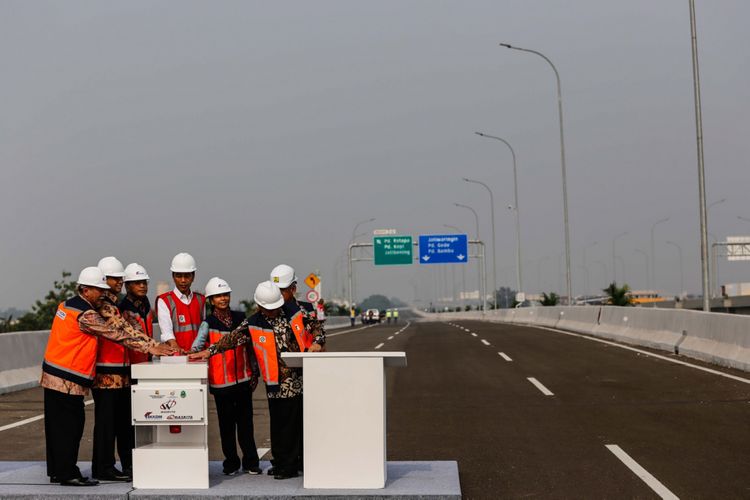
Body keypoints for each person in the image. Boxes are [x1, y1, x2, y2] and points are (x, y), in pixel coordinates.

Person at [41, 267, 174, 487]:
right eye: (98, 290)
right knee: (70, 426)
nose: (102, 294)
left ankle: (58, 471)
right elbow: (117, 333)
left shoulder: (66, 305)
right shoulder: (87, 314)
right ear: (85, 289)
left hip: (54, 372)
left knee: (56, 427)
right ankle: (68, 473)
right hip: (67, 377)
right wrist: (152, 347)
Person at [190, 281, 312, 480]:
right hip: (273, 381)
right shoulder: (253, 321)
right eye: (267, 309)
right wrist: (209, 351)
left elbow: (315, 327)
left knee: (291, 424)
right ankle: (281, 462)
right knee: (278, 425)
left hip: (294, 379)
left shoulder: (293, 314)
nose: (272, 312)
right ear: (260, 306)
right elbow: (232, 338)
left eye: (274, 308)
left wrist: (317, 343)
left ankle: (290, 466)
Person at [190, 277, 261, 476]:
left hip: (244, 380)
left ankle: (251, 462)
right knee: (227, 427)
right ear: (211, 300)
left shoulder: (241, 318)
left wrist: (254, 372)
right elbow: (197, 346)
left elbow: (251, 347)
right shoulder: (208, 323)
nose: (223, 299)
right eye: (218, 296)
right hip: (221, 383)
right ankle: (231, 462)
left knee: (246, 425)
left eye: (225, 295)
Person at [90, 257, 137, 482]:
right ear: (103, 280)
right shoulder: (103, 306)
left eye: (120, 279)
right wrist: (157, 347)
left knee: (120, 423)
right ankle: (104, 467)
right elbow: (126, 333)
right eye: (114, 279)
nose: (119, 282)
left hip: (120, 373)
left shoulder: (114, 304)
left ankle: (113, 465)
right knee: (106, 425)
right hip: (106, 374)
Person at [156, 252, 206, 353]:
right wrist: (175, 347)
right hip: (175, 357)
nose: (183, 280)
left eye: (187, 276)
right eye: (179, 276)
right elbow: (166, 331)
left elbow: (204, 330)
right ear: (173, 276)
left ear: (193, 276)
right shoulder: (164, 300)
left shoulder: (201, 299)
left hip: (198, 356)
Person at [269, 264, 326, 353]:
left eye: (281, 290)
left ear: (293, 289)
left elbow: (318, 330)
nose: (277, 294)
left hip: (302, 364)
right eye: (274, 290)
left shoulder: (306, 309)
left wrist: (317, 343)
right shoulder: (264, 312)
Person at [119, 263, 153, 366]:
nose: (142, 286)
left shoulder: (146, 305)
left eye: (144, 282)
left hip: (147, 359)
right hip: (132, 363)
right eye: (137, 283)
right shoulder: (124, 309)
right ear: (127, 286)